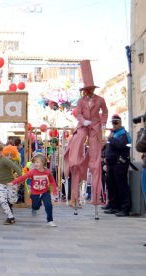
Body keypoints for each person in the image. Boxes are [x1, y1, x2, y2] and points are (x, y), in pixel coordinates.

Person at [64, 60, 108, 216]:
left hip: (95, 128)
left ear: (92, 89)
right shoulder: (81, 101)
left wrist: (101, 124)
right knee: (76, 149)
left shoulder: (100, 99)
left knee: (95, 162)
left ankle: (96, 197)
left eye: (89, 89)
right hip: (83, 127)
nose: (87, 92)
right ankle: (75, 166)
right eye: (86, 90)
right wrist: (83, 121)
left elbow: (105, 112)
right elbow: (79, 114)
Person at [9, 153, 59, 227]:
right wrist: (13, 182)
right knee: (35, 206)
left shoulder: (47, 172)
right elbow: (23, 177)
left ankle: (50, 220)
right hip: (35, 193)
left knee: (49, 205)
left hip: (45, 191)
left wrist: (54, 190)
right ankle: (36, 206)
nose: (35, 164)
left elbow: (52, 181)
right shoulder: (32, 172)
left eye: (37, 162)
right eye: (34, 162)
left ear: (43, 163)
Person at [103, 114, 132, 217]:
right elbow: (108, 149)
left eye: (116, 122)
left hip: (119, 163)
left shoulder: (122, 133)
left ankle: (125, 209)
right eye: (113, 122)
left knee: (121, 186)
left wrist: (111, 139)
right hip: (111, 163)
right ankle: (113, 206)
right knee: (111, 185)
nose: (114, 124)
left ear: (120, 123)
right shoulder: (114, 134)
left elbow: (120, 145)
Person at [0, 141, 22, 225]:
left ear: (1, 151)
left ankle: (10, 205)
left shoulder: (5, 160)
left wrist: (20, 179)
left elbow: (16, 168)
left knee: (13, 200)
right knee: (2, 200)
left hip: (10, 183)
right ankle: (10, 217)